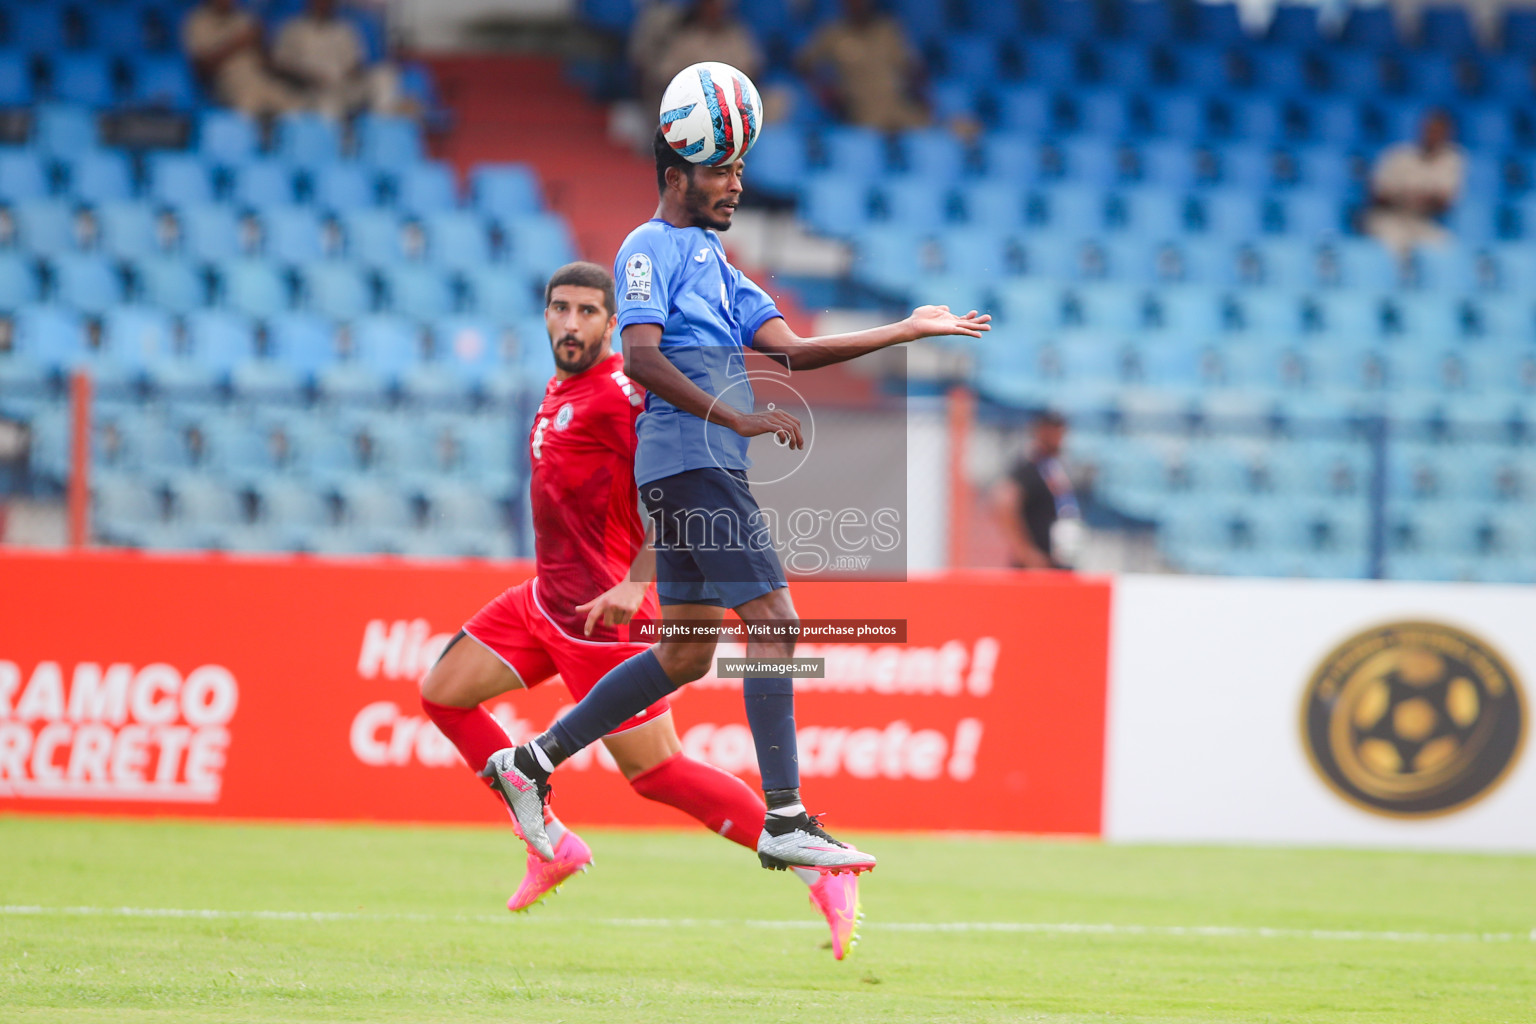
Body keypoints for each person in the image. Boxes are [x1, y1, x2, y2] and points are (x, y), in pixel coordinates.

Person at [481, 129, 989, 878]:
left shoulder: (720, 266)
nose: (737, 183)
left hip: (699, 463)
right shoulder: (647, 247)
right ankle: (784, 819)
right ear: (676, 174)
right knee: (777, 625)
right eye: (722, 169)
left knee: (685, 652)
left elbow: (793, 349)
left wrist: (906, 330)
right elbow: (645, 357)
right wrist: (735, 416)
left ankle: (529, 760)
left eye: (741, 169)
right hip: (693, 460)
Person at [419, 262, 864, 959]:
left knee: (657, 774)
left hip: (602, 616)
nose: (570, 324)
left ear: (611, 323)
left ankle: (820, 870)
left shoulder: (621, 398)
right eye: (559, 309)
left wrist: (639, 577)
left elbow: (679, 479)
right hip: (541, 602)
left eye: (587, 313)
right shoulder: (563, 385)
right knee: (442, 694)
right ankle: (549, 842)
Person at [796, 0, 929, 131]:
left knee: (930, 133)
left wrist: (918, 91)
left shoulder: (888, 30)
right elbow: (803, 63)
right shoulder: (833, 33)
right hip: (860, 111)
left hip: (897, 105)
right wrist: (824, 91)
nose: (858, 4)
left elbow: (911, 66)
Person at [272, 0, 407, 119]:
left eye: (328, 2)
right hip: (312, 88)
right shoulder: (293, 30)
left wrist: (353, 73)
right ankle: (335, 142)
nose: (324, 4)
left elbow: (356, 63)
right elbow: (282, 65)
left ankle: (382, 125)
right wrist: (310, 77)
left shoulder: (345, 30)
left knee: (384, 75)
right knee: (328, 105)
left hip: (344, 85)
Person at [638, 0, 763, 125]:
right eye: (710, 5)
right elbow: (664, 75)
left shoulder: (737, 36)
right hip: (691, 107)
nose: (715, 10)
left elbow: (750, 71)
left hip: (733, 106)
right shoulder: (686, 38)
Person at [1364, 109, 1466, 256]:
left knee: (1446, 246)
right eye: (1431, 130)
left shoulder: (1452, 159)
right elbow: (1375, 195)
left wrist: (1413, 196)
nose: (1434, 135)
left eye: (1439, 132)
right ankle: (1397, 279)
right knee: (1394, 242)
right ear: (1422, 129)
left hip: (1420, 221)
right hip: (1388, 218)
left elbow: (1445, 203)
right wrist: (1405, 197)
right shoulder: (1397, 155)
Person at [183, 0, 305, 116]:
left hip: (260, 79)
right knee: (251, 108)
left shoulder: (243, 18)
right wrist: (238, 43)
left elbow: (267, 62)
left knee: (298, 108)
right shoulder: (198, 21)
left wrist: (261, 42)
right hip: (229, 85)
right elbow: (202, 68)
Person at [994, 411, 1081, 570]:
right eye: (1052, 430)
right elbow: (1003, 503)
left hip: (1060, 559)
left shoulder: (1057, 468)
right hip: (1037, 567)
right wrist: (1025, 552)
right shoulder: (1031, 468)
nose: (1058, 435)